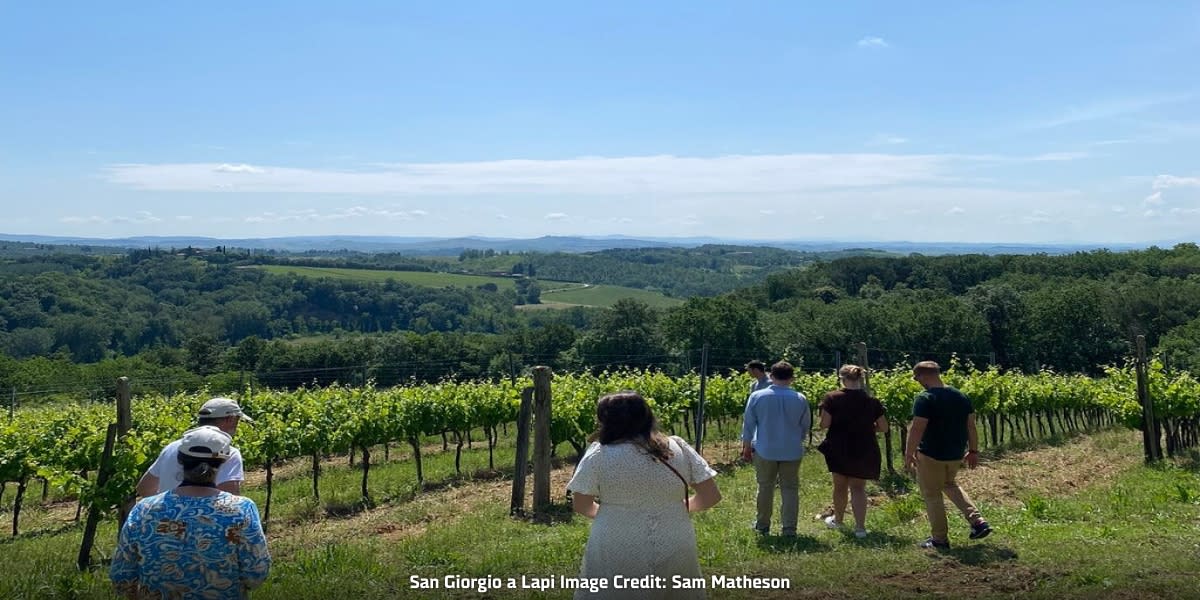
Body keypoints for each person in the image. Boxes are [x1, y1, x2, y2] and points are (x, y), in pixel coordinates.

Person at [567, 391, 722, 600]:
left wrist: (615, 514)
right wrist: (675, 507)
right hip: (674, 534)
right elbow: (710, 496)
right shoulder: (678, 447)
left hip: (616, 537)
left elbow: (582, 505)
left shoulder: (599, 454)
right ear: (647, 416)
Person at [111, 426, 271, 599]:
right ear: (223, 462)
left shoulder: (144, 510)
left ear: (180, 459)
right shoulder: (241, 510)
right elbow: (256, 574)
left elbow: (122, 575)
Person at [904, 361, 993, 549]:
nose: (917, 381)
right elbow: (971, 426)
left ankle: (939, 539)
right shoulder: (961, 396)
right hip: (955, 454)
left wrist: (909, 453)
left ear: (924, 375)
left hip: (931, 454)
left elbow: (917, 428)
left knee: (932, 495)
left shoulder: (925, 398)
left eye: (917, 377)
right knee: (950, 485)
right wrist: (973, 450)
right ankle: (978, 522)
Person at [740, 361, 811, 537]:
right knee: (790, 488)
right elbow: (805, 426)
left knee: (765, 487)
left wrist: (747, 446)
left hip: (765, 449)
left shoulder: (757, 396)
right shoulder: (800, 398)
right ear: (792, 378)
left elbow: (748, 425)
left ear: (771, 376)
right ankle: (789, 528)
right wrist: (796, 439)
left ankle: (762, 525)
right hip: (792, 450)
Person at [817, 364, 887, 539]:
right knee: (858, 488)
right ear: (861, 379)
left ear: (842, 379)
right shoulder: (872, 401)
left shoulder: (832, 398)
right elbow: (884, 427)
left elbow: (824, 424)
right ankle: (860, 528)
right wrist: (866, 428)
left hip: (839, 446)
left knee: (839, 486)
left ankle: (839, 521)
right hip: (864, 447)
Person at [136, 397, 252, 496]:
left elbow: (144, 489)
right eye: (237, 420)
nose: (237, 425)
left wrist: (168, 507)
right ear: (230, 419)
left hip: (168, 521)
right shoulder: (228, 453)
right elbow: (230, 499)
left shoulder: (171, 447)